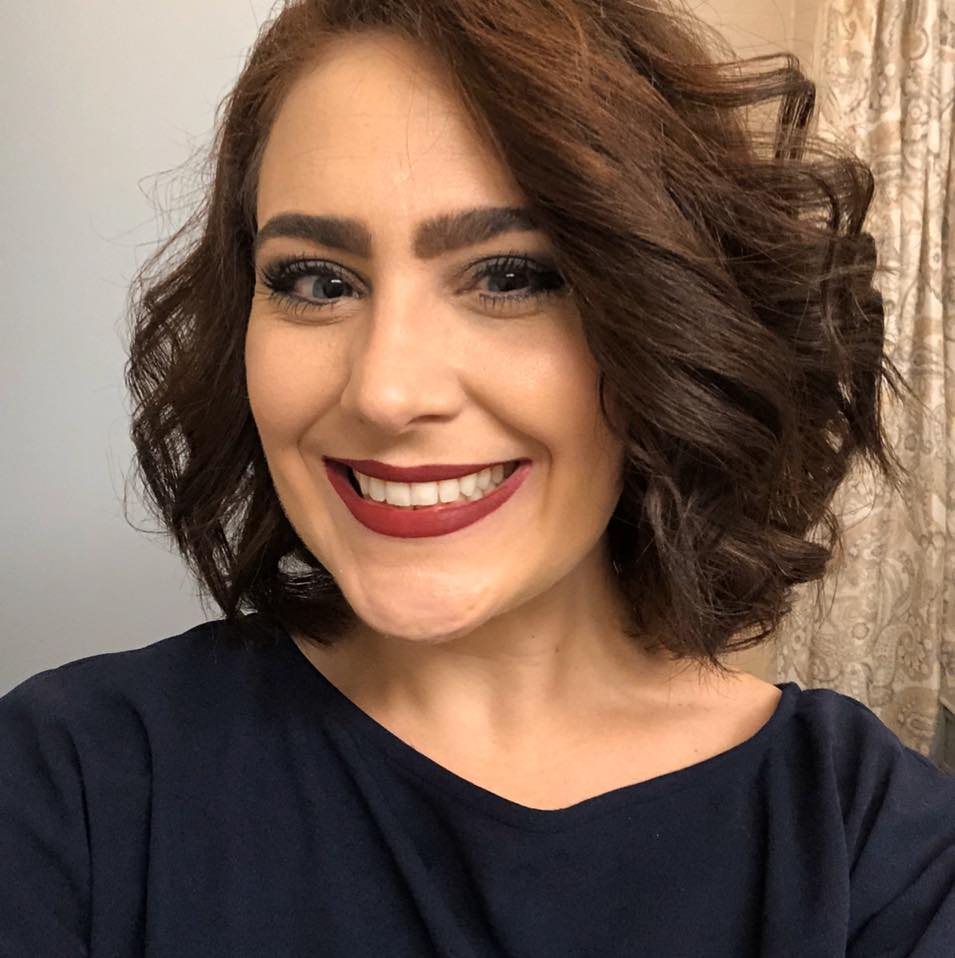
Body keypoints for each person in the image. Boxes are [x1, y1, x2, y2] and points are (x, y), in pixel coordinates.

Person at [2, 1, 953, 955]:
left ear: (676, 325)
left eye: (510, 277)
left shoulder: (871, 845)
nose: (385, 392)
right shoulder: (69, 782)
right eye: (317, 282)